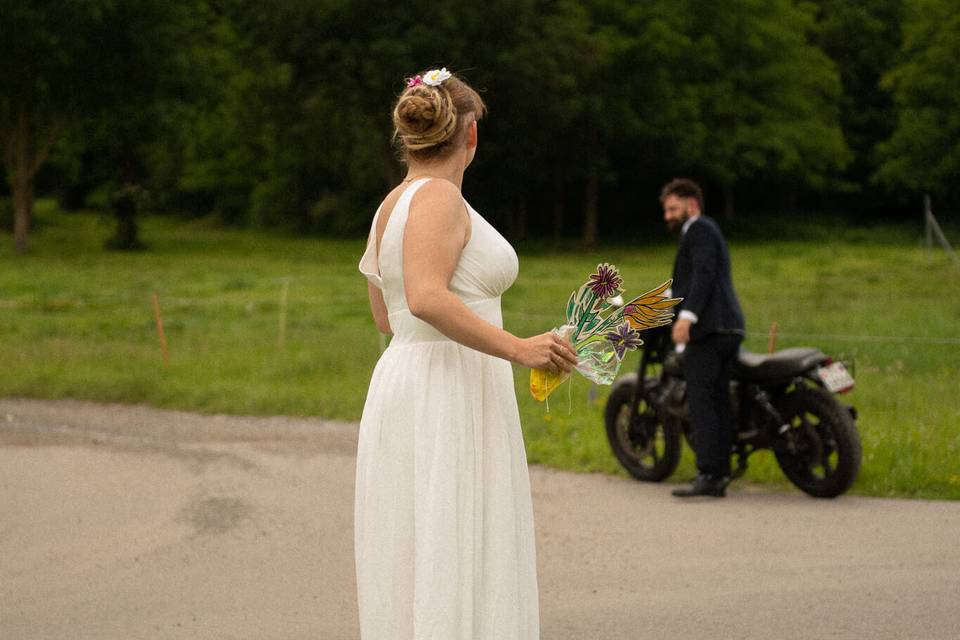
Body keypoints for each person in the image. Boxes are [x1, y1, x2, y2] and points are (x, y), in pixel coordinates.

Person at [355, 68, 578, 639]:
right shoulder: (440, 200)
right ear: (470, 135)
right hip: (445, 386)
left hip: (410, 376)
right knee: (455, 533)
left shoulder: (391, 204)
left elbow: (388, 316)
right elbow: (427, 298)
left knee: (428, 537)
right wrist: (519, 349)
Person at [661, 178, 745, 498]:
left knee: (702, 403)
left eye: (673, 208)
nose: (667, 215)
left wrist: (687, 316)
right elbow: (687, 281)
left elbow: (704, 274)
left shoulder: (699, 230)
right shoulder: (701, 233)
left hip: (709, 329)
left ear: (691, 205)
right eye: (666, 210)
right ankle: (719, 472)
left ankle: (709, 474)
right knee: (718, 401)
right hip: (726, 328)